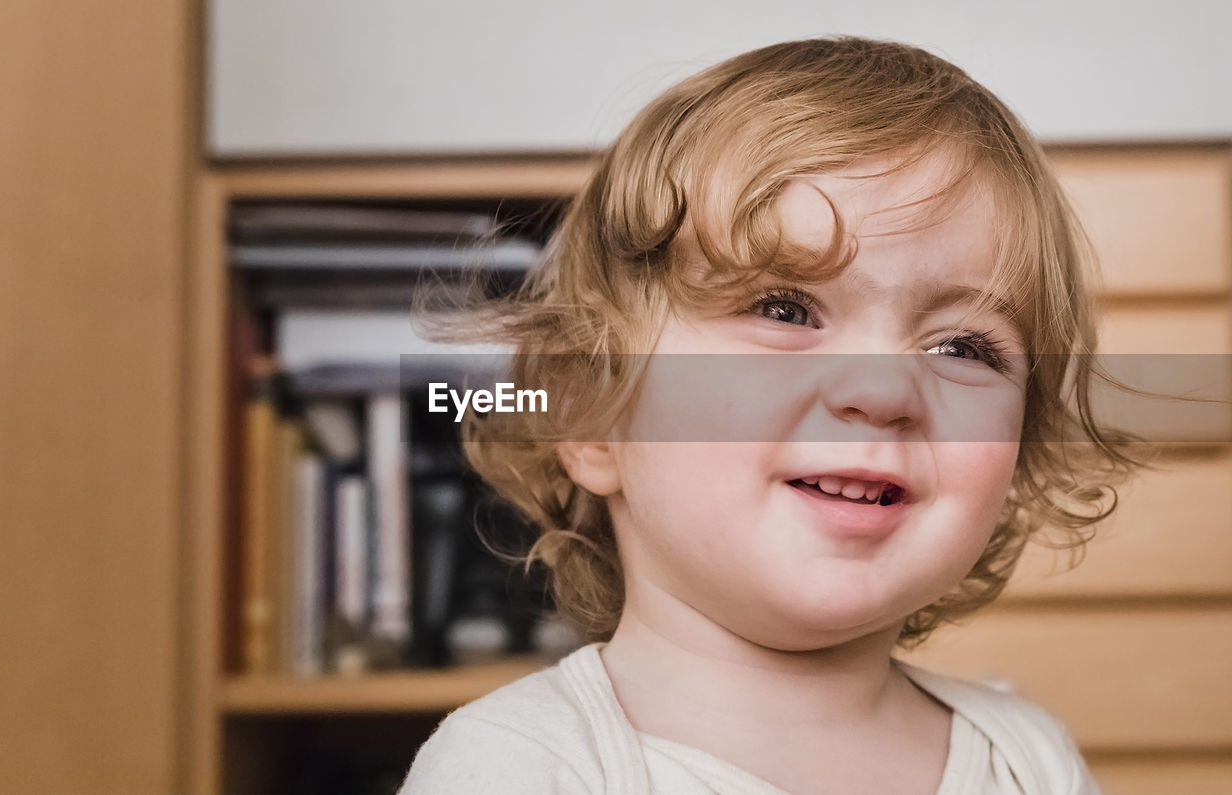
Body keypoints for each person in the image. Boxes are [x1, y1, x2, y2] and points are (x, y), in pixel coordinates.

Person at [400, 36, 1142, 794]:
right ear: (593, 410)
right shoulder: (518, 767)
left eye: (962, 346)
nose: (884, 392)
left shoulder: (1030, 763)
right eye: (785, 308)